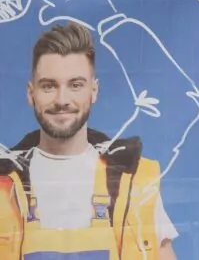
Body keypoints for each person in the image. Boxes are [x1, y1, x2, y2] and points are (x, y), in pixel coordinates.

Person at [0, 22, 179, 260]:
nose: (62, 99)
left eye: (75, 85)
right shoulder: (3, 184)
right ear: (31, 93)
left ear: (93, 91)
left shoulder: (134, 179)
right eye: (49, 86)